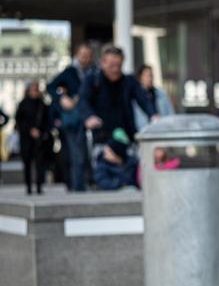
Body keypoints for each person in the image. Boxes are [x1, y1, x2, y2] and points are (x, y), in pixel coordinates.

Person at [78, 45, 157, 191]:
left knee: (130, 172)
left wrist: (153, 114)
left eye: (118, 65)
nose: (115, 69)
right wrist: (89, 117)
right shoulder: (92, 80)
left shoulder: (129, 81)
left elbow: (143, 99)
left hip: (126, 136)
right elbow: (83, 100)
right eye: (111, 65)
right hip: (102, 137)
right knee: (104, 173)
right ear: (102, 63)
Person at [47, 43, 95, 191]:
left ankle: (89, 184)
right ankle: (77, 187)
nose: (85, 58)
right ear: (77, 55)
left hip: (91, 118)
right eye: (82, 55)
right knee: (77, 156)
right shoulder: (70, 72)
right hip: (75, 121)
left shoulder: (94, 72)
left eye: (88, 55)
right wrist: (62, 98)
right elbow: (51, 87)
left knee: (90, 155)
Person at [15, 82, 52, 195]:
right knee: (27, 163)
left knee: (40, 163)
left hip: (39, 140)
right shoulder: (23, 104)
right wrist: (30, 130)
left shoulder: (42, 105)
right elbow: (19, 122)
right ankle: (29, 187)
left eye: (36, 90)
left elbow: (47, 121)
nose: (35, 92)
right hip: (26, 139)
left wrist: (41, 132)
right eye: (33, 90)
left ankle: (39, 186)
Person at [133, 64, 174, 133]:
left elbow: (170, 114)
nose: (150, 79)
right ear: (140, 78)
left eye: (151, 76)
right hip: (143, 134)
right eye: (147, 76)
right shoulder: (134, 96)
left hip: (162, 132)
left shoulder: (161, 94)